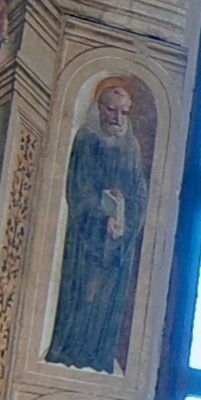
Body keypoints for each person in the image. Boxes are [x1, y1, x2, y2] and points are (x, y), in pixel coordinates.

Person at [46, 80, 149, 371]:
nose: (118, 119)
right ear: (100, 109)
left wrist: (124, 214)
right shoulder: (86, 139)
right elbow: (78, 188)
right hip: (87, 239)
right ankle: (71, 350)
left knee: (106, 299)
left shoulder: (131, 147)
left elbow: (140, 193)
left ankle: (98, 355)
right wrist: (102, 215)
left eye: (124, 113)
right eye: (112, 111)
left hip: (117, 242)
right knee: (84, 294)